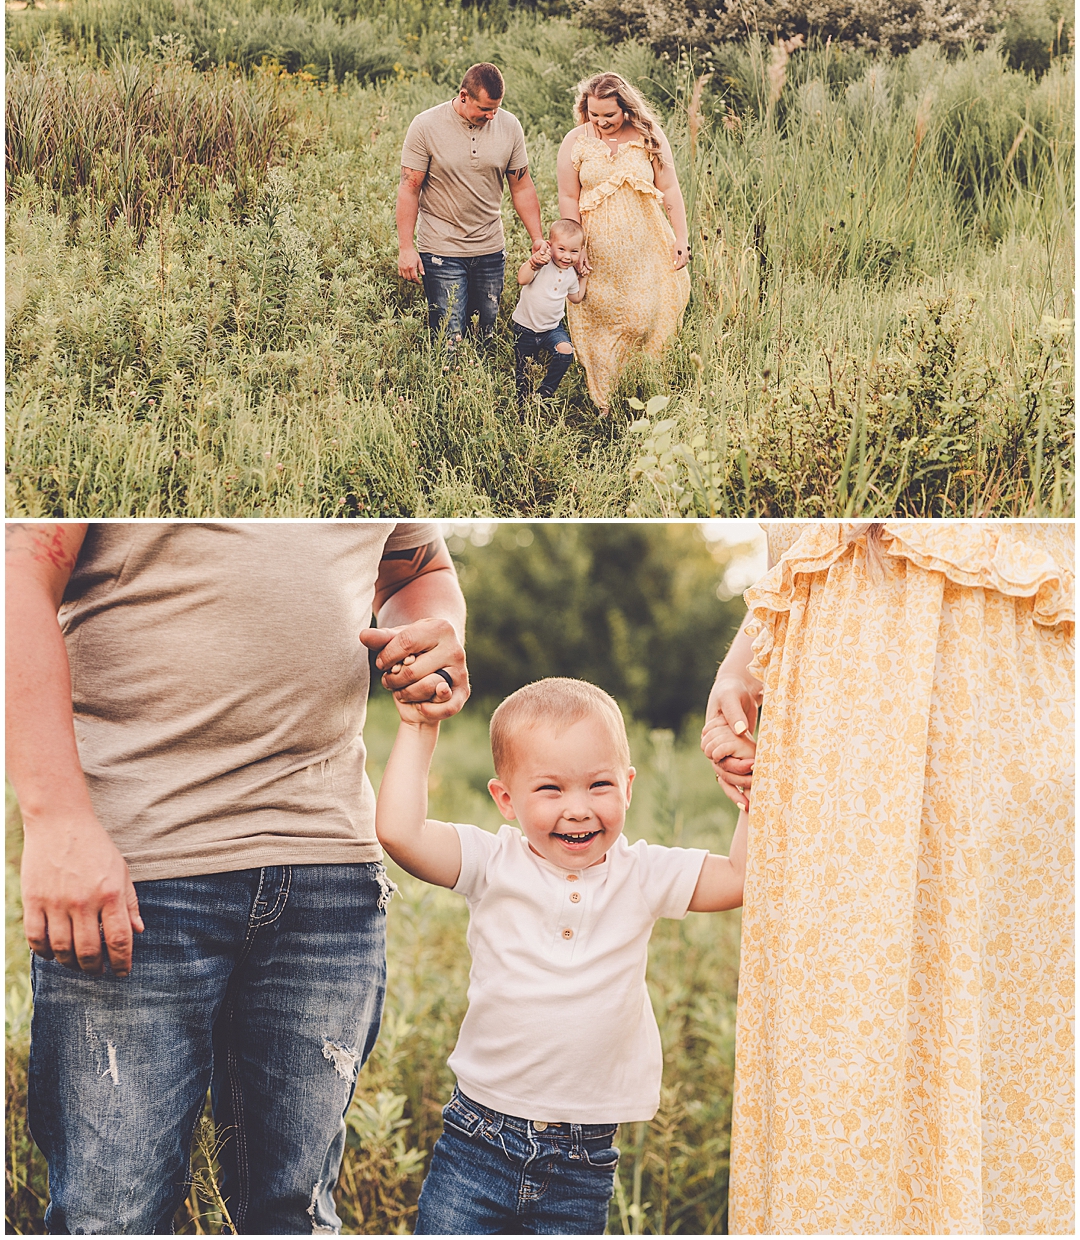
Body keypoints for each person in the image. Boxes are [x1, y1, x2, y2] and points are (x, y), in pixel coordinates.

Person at [6, 520, 470, 1236]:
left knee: (293, 1215)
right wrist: (57, 818)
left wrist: (433, 632)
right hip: (138, 872)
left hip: (328, 873)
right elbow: (17, 575)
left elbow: (417, 572)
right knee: (111, 1217)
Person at [701, 521, 1074, 1235]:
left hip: (993, 663)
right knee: (841, 1025)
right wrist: (744, 662)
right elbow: (808, 538)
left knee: (1007, 1024)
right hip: (839, 683)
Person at [376, 675, 749, 1235]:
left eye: (599, 785)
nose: (578, 809)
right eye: (550, 789)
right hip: (479, 1143)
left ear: (627, 787)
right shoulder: (492, 864)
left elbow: (741, 877)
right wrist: (418, 726)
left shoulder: (643, 875)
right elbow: (399, 833)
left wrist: (751, 792)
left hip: (583, 1162)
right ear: (505, 799)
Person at [556, 72, 690, 415]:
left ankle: (644, 388)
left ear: (626, 108)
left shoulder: (648, 135)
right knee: (601, 322)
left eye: (609, 115)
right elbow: (568, 196)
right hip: (596, 254)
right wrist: (576, 247)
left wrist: (681, 237)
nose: (601, 122)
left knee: (641, 319)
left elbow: (670, 189)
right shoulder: (576, 141)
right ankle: (606, 403)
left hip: (646, 250)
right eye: (594, 114)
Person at [397, 61, 548, 349]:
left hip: (490, 249)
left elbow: (522, 186)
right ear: (464, 96)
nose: (491, 116)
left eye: (496, 109)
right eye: (485, 109)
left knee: (484, 337)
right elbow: (409, 188)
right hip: (441, 250)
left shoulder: (510, 126)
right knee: (449, 340)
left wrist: (537, 237)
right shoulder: (426, 126)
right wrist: (406, 248)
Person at [511, 217, 587, 410]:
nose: (567, 257)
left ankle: (545, 391)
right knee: (524, 374)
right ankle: (524, 408)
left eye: (574, 251)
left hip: (552, 329)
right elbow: (522, 279)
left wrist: (583, 277)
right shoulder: (541, 264)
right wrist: (533, 262)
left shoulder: (571, 274)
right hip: (525, 328)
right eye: (561, 249)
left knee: (566, 351)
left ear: (581, 251)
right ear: (549, 245)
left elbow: (576, 298)